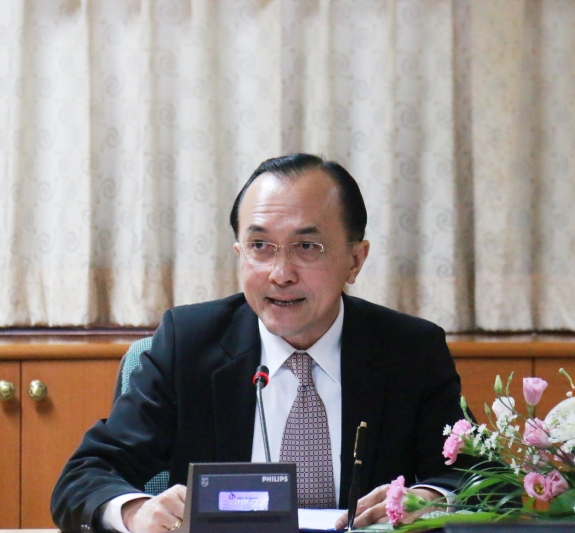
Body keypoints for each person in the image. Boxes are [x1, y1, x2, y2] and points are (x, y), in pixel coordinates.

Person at [51, 154, 472, 533]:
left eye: (306, 246)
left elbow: (472, 475)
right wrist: (134, 512)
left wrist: (432, 498)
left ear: (355, 260)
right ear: (239, 252)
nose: (280, 273)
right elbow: (86, 475)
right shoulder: (189, 344)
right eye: (260, 247)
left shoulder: (410, 351)